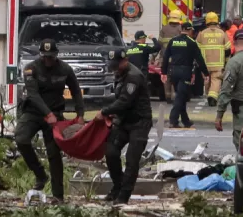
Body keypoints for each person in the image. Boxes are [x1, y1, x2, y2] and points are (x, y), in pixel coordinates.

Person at [15, 39, 84, 203]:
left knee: (54, 154)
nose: (48, 61)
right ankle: (40, 174)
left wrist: (80, 114)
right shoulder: (31, 68)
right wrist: (47, 114)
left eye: (51, 57)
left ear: (56, 56)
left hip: (55, 114)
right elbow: (33, 95)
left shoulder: (65, 69)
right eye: (45, 57)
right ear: (41, 55)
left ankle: (58, 196)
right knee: (21, 139)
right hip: (33, 112)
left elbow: (75, 91)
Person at [95, 49, 152, 206]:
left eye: (117, 65)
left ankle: (123, 196)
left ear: (125, 61)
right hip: (123, 121)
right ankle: (117, 187)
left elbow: (125, 101)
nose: (115, 68)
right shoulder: (119, 73)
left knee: (132, 160)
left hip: (139, 122)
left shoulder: (133, 76)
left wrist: (105, 111)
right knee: (111, 152)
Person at [162, 21, 209, 128]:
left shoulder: (172, 41)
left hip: (173, 71)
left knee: (181, 96)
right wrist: (205, 73)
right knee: (180, 97)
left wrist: (163, 72)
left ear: (181, 29)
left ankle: (186, 121)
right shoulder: (192, 42)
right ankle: (173, 120)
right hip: (185, 72)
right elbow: (199, 59)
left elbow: (165, 57)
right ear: (190, 30)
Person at [196, 12, 232, 107]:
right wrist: (227, 61)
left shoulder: (202, 34)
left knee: (207, 79)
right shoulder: (222, 33)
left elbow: (197, 49)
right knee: (216, 80)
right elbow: (228, 49)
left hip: (205, 63)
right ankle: (212, 96)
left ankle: (208, 94)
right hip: (218, 64)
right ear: (217, 21)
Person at [159, 10, 184, 102]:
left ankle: (167, 96)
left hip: (165, 59)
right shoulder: (181, 29)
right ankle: (174, 96)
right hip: (177, 60)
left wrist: (154, 57)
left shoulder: (164, 29)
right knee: (175, 77)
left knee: (166, 77)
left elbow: (159, 44)